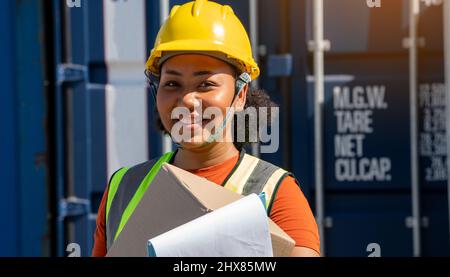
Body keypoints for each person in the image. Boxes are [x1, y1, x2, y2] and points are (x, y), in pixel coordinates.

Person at [92, 0, 320, 257]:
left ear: (241, 95)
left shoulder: (275, 191)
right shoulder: (123, 188)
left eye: (205, 84)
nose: (187, 99)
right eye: (172, 84)